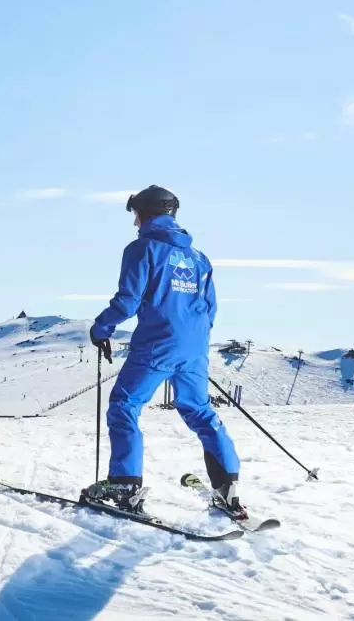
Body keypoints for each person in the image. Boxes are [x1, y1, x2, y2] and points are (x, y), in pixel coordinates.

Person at [83, 186, 244, 517]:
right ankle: (228, 486)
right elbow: (210, 308)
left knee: (125, 404)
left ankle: (125, 485)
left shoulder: (142, 249)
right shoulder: (200, 259)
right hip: (195, 346)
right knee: (199, 411)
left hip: (157, 343)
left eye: (135, 215)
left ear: (144, 213)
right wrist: (190, 342)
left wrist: (101, 328)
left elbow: (128, 300)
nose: (134, 223)